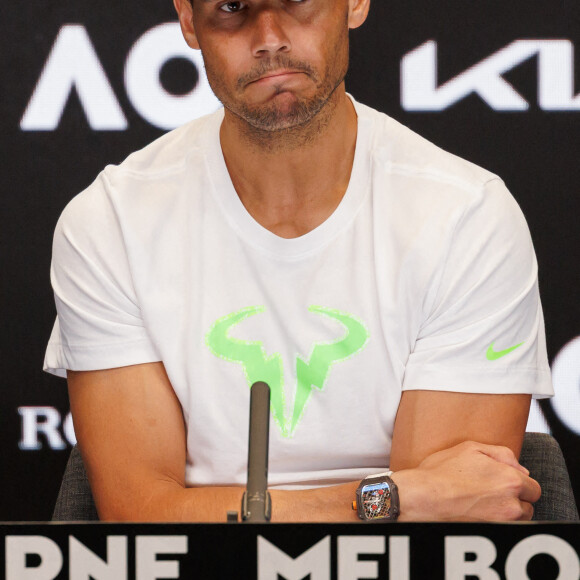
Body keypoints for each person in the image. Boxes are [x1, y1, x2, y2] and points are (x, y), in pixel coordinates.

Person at [44, 0, 553, 522]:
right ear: (189, 19)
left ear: (354, 4)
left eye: (295, 2)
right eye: (233, 7)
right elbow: (143, 518)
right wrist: (389, 501)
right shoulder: (110, 222)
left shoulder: (467, 217)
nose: (269, 36)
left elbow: (442, 532)